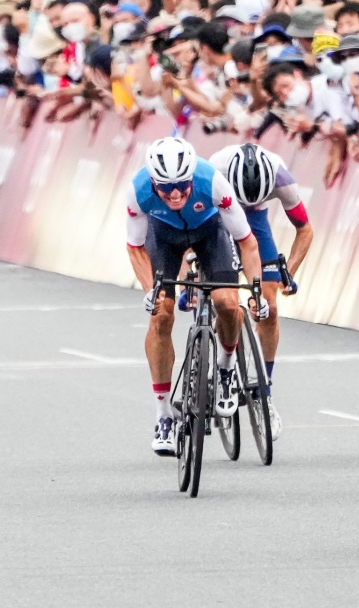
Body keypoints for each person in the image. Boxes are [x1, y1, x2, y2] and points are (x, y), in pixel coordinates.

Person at [126, 137, 267, 456]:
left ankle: (227, 367)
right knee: (161, 314)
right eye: (166, 188)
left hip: (211, 233)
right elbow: (135, 248)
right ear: (153, 182)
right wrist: (151, 289)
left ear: (192, 177)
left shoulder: (213, 183)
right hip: (163, 237)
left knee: (229, 304)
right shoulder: (137, 191)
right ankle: (163, 416)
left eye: (182, 185)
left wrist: (255, 288)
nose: (175, 193)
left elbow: (247, 242)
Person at [208, 143, 316, 439]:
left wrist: (288, 273)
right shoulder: (214, 170)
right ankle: (221, 366)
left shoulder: (281, 177)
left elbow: (305, 230)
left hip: (255, 220)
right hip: (217, 215)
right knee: (223, 296)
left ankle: (263, 392)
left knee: (270, 307)